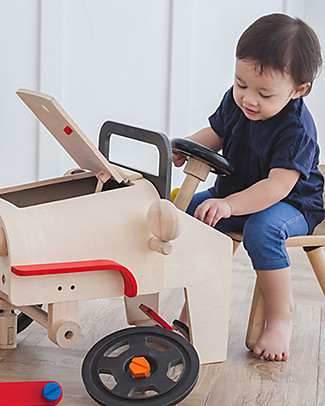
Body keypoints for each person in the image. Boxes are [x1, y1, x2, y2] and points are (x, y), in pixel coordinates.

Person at [172, 13, 324, 361]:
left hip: (293, 205)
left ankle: (280, 319)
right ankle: (191, 313)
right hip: (236, 191)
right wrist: (180, 146)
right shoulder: (238, 101)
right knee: (184, 213)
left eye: (264, 93)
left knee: (262, 228)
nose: (249, 99)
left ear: (298, 90)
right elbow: (216, 134)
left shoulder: (296, 129)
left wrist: (229, 206)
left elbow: (276, 188)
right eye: (241, 84)